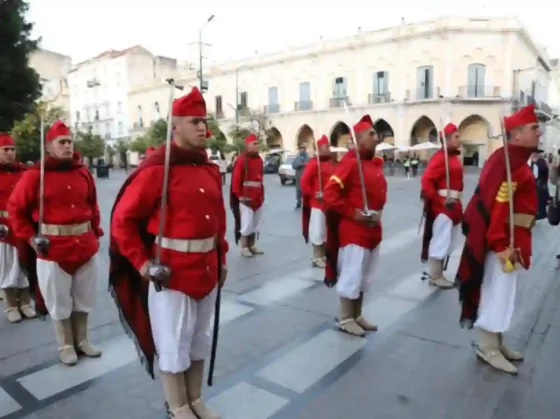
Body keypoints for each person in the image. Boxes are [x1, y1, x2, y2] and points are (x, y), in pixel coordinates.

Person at [110, 86, 228, 419]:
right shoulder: (156, 170)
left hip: (206, 268)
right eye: (195, 122)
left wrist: (222, 258)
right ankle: (177, 405)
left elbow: (218, 222)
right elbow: (123, 221)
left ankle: (195, 398)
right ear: (174, 126)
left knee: (199, 339)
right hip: (171, 272)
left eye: (205, 122)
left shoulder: (209, 170)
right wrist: (143, 263)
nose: (203, 128)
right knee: (173, 342)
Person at [8, 120, 103, 365]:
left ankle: (82, 340)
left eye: (70, 141)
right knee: (59, 301)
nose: (68, 146)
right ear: (49, 147)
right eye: (62, 142)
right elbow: (16, 209)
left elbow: (93, 205)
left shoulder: (82, 172)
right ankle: (65, 345)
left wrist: (96, 233)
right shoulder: (34, 176)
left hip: (84, 245)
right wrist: (30, 238)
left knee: (83, 298)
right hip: (52, 248)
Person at [457, 103, 540, 375]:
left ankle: (497, 340)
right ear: (517, 135)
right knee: (498, 293)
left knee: (507, 294)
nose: (539, 132)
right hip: (505, 242)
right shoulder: (508, 163)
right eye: (534, 128)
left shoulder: (515, 160)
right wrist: (500, 244)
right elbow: (497, 206)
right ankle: (488, 346)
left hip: (516, 238)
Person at [323, 116, 387, 337]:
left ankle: (357, 314)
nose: (376, 136)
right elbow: (330, 194)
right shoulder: (350, 163)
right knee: (352, 275)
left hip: (372, 230)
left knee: (364, 276)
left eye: (375, 133)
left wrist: (377, 213)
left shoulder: (374, 164)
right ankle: (345, 318)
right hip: (354, 231)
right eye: (370, 133)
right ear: (358, 139)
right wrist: (354, 213)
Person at [420, 123, 463, 289]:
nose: (459, 140)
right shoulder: (440, 158)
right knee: (441, 240)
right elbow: (426, 181)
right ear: (446, 140)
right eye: (456, 137)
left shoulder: (453, 158)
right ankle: (435, 275)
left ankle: (439, 273)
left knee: (450, 240)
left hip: (454, 205)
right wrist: (439, 201)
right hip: (443, 207)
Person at [0, 133, 36, 322]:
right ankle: (11, 306)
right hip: (3, 230)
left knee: (23, 265)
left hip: (23, 227)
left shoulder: (25, 173)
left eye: (12, 149)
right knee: (6, 268)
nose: (10, 153)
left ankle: (25, 302)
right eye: (5, 150)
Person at [300, 135, 335, 268]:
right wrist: (314, 194)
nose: (329, 149)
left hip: (329, 203)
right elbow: (304, 181)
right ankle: (316, 257)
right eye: (327, 147)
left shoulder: (331, 163)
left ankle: (324, 255)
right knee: (317, 230)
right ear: (319, 149)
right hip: (318, 204)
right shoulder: (314, 163)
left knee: (326, 231)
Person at [230, 134, 265, 258]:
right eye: (254, 143)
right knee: (246, 223)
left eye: (257, 143)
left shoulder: (260, 160)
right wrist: (239, 196)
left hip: (258, 197)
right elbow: (236, 180)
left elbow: (261, 179)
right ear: (247, 145)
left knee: (256, 223)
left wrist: (262, 195)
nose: (257, 146)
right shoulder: (242, 160)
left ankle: (252, 245)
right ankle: (244, 247)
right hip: (246, 197)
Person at [529, 150, 550, 220]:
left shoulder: (541, 162)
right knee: (538, 199)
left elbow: (542, 171)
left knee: (540, 199)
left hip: (540, 184)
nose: (533, 155)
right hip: (538, 184)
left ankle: (541, 213)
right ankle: (540, 212)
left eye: (535, 153)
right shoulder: (534, 161)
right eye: (532, 153)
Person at [292, 145, 309, 209]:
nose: (302, 150)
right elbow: (293, 166)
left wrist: (305, 164)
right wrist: (300, 164)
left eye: (303, 149)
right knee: (298, 190)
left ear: (305, 150)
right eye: (300, 149)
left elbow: (309, 164)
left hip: (306, 177)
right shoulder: (297, 157)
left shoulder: (308, 157)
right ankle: (298, 202)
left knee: (305, 190)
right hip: (299, 177)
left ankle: (306, 203)